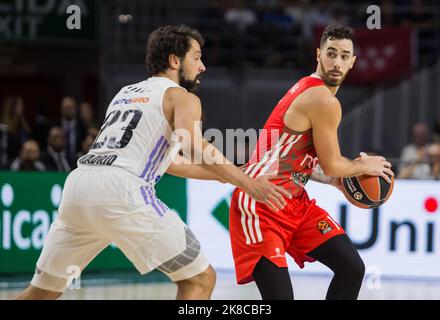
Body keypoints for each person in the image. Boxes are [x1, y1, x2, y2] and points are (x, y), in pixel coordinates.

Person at [14, 25, 290, 300]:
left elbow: (171, 164)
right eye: (196, 57)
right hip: (122, 190)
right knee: (200, 279)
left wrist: (230, 174)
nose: (203, 66)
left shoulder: (125, 93)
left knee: (40, 294)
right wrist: (249, 184)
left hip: (78, 186)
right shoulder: (182, 97)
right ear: (174, 60)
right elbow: (193, 145)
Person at [228, 24, 394, 300]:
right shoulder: (321, 99)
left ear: (353, 62)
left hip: (294, 202)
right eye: (331, 53)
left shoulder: (310, 89)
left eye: (344, 56)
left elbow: (295, 159)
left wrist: (333, 181)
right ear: (318, 54)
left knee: (352, 267)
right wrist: (366, 166)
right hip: (260, 204)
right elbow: (333, 164)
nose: (337, 62)